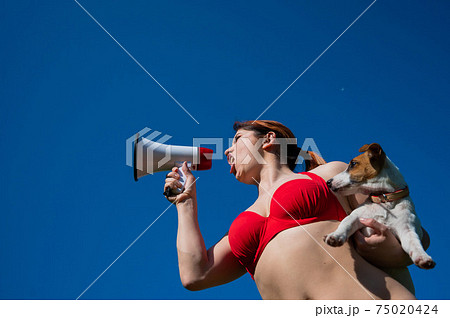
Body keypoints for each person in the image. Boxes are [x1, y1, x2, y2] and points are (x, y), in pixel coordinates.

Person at [163, 120, 427, 300]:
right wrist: (186, 204)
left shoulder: (330, 174)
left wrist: (389, 248)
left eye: (237, 139)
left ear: (268, 140)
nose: (229, 150)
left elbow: (411, 230)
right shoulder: (240, 225)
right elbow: (195, 275)